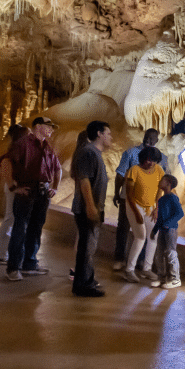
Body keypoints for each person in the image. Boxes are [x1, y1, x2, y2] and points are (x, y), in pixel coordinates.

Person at [2, 116, 62, 282]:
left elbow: (57, 167)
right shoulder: (23, 143)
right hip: (27, 191)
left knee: (36, 229)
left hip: (43, 193)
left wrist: (55, 186)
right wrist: (13, 187)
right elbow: (7, 163)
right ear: (37, 126)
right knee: (20, 229)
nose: (51, 129)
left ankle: (29, 264)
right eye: (48, 126)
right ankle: (13, 268)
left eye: (52, 127)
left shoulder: (48, 146)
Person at [70, 121, 112, 297]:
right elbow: (84, 181)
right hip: (87, 209)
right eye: (108, 133)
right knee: (87, 247)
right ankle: (82, 285)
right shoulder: (88, 152)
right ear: (99, 134)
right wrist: (90, 206)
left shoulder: (94, 153)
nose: (111, 137)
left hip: (93, 208)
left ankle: (87, 279)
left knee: (89, 247)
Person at [113, 129, 161, 269]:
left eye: (153, 139)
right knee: (123, 227)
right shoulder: (130, 153)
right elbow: (120, 175)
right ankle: (119, 259)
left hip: (148, 201)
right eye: (147, 137)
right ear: (144, 136)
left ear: (157, 141)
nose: (149, 140)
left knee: (145, 231)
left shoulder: (160, 157)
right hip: (128, 198)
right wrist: (117, 193)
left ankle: (140, 261)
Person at [122, 146, 165, 284]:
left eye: (154, 161)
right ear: (143, 159)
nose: (151, 163)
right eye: (149, 160)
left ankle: (147, 268)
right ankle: (129, 270)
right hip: (135, 205)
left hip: (150, 207)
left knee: (153, 236)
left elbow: (160, 189)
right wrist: (136, 213)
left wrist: (157, 207)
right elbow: (129, 194)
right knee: (140, 236)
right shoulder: (134, 170)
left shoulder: (158, 170)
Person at [0, 124, 30, 263]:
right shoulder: (14, 151)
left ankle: (1, 251)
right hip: (13, 187)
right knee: (10, 219)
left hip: (13, 187)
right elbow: (2, 164)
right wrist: (11, 184)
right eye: (27, 133)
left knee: (11, 219)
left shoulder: (16, 149)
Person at [150, 174, 183, 289]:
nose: (160, 181)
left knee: (171, 253)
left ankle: (175, 279)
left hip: (171, 230)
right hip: (162, 230)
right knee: (159, 254)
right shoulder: (162, 200)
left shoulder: (173, 198)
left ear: (168, 183)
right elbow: (159, 218)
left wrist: (168, 224)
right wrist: (154, 230)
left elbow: (180, 213)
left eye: (162, 180)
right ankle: (161, 277)